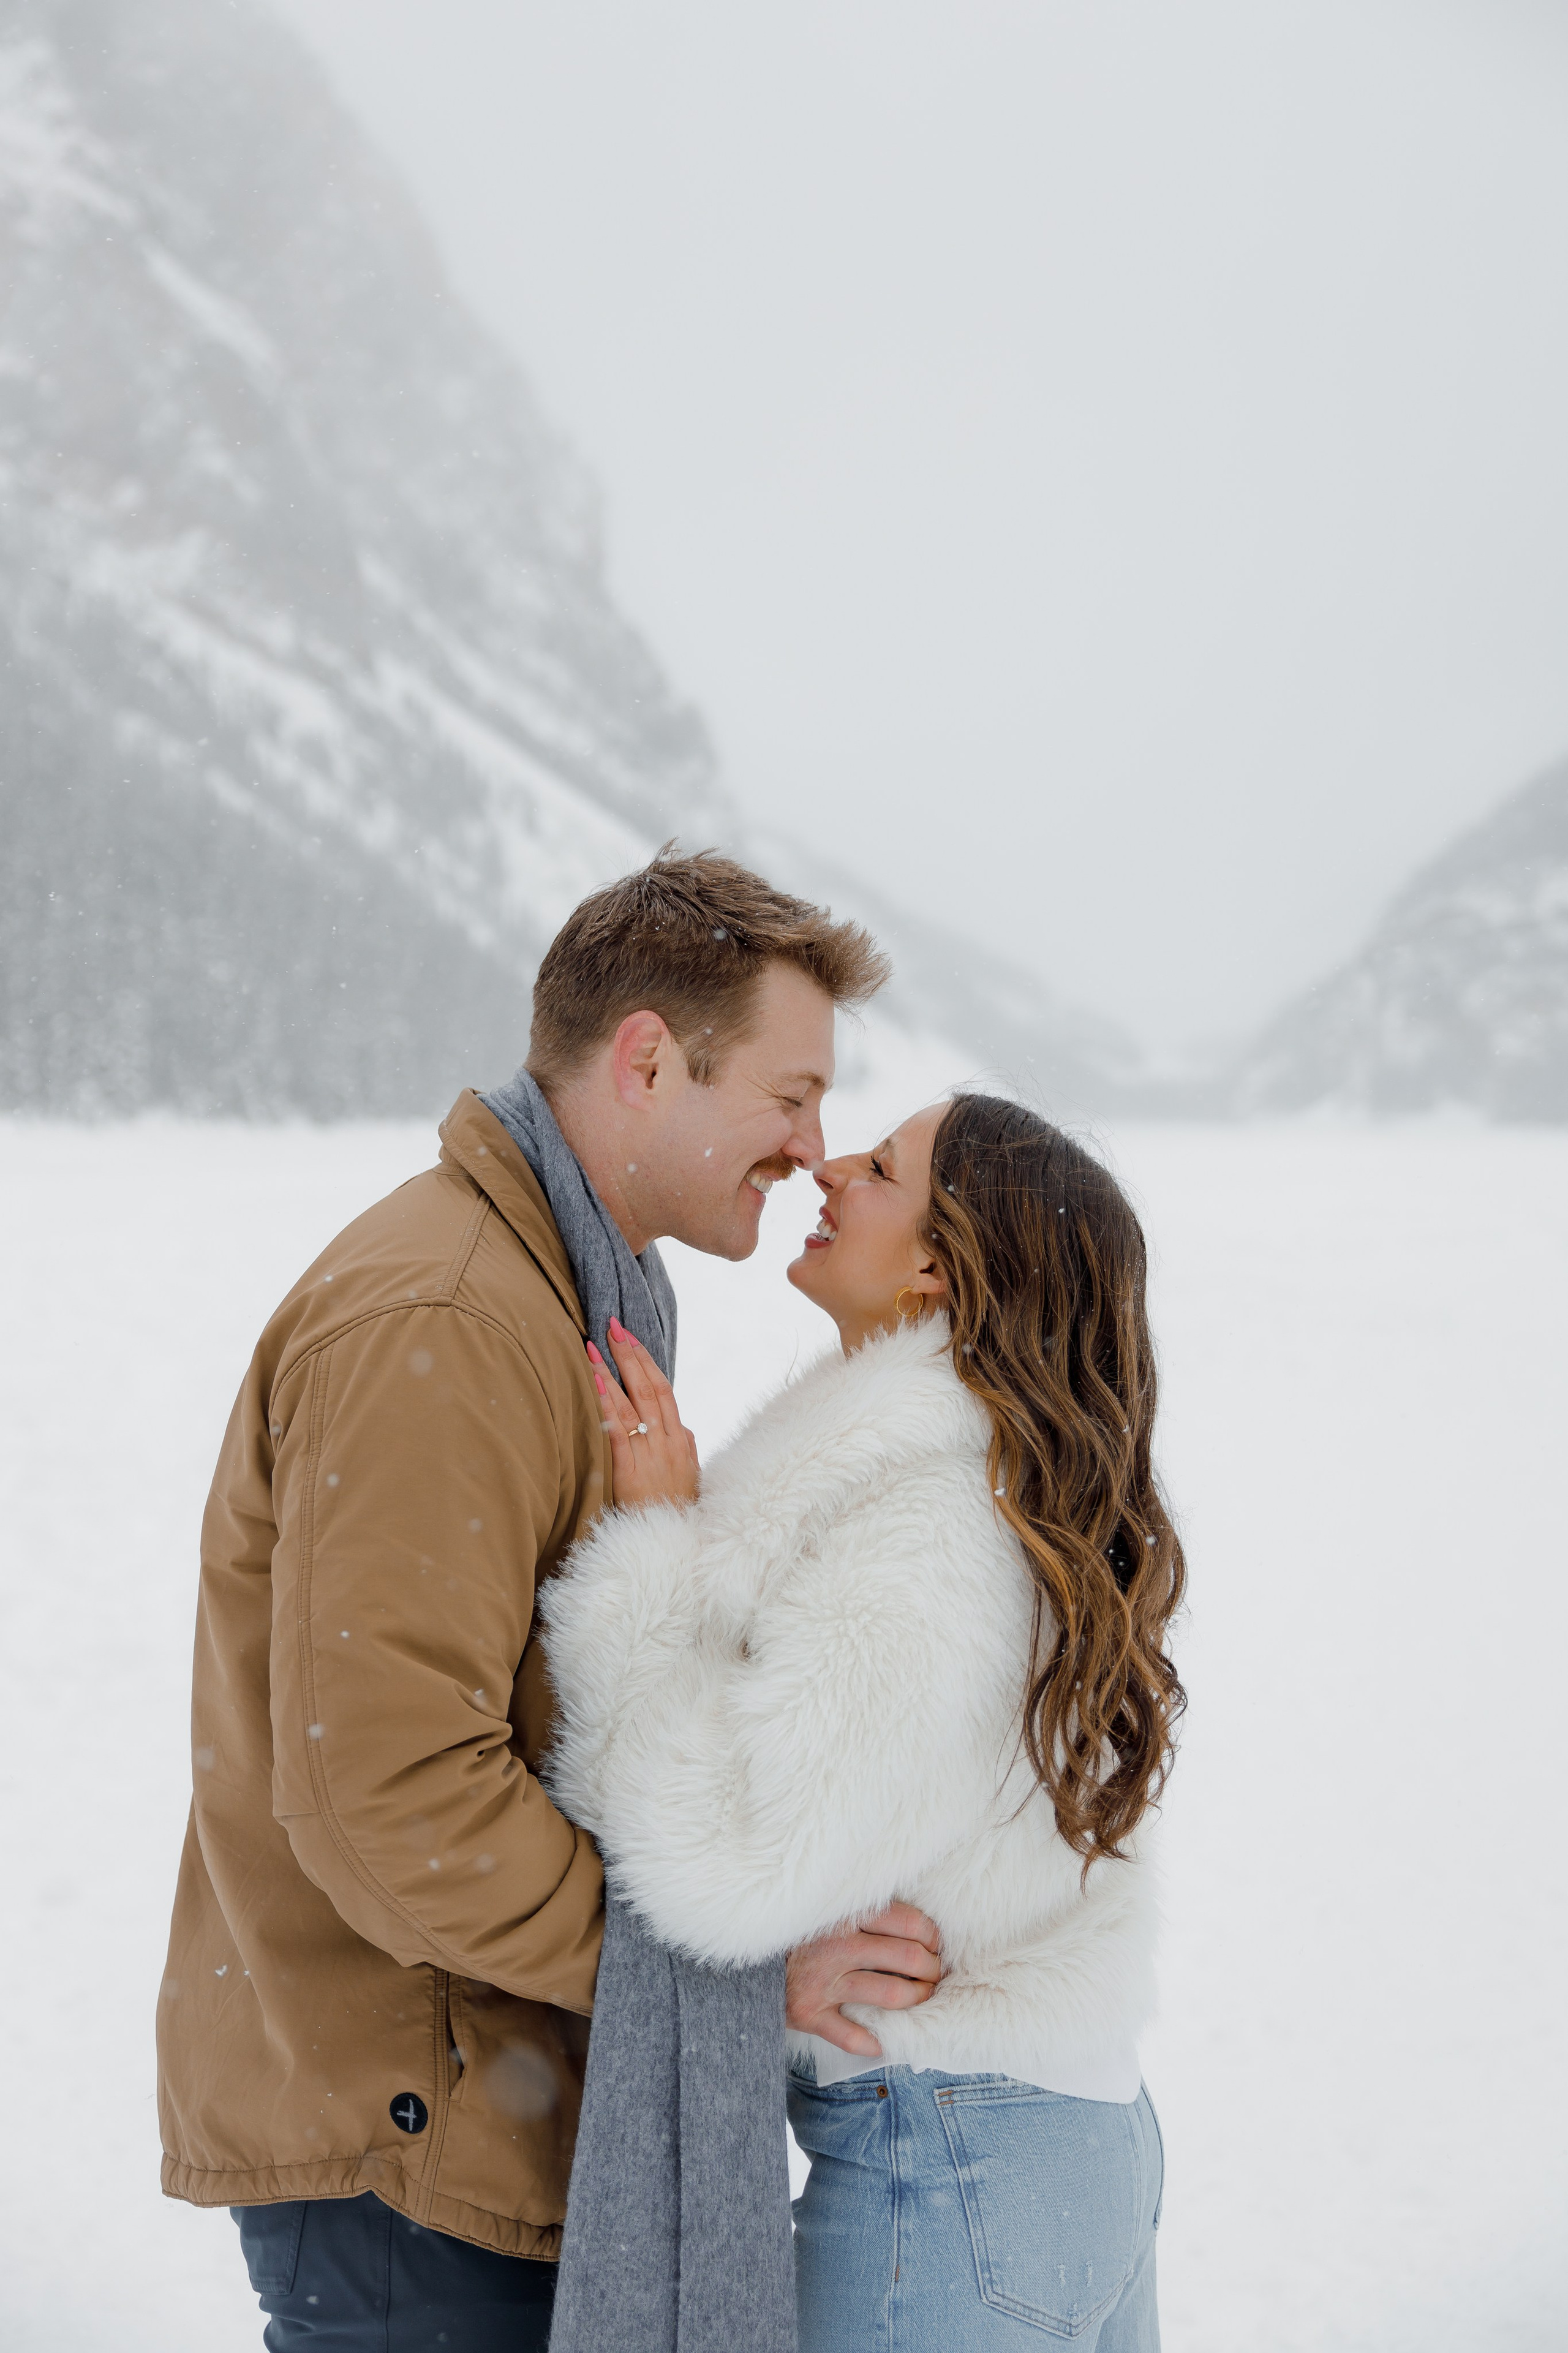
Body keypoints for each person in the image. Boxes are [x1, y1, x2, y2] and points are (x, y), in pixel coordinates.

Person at [156, 848, 940, 2351]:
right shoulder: (446, 1319)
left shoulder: (567, 1297)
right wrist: (717, 1965)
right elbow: (391, 1794)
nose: (811, 1147)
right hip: (419, 2156)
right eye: (788, 1096)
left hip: (488, 2125)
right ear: (649, 1059)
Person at [541, 1089, 1188, 2352]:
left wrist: (652, 1552)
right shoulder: (995, 1489)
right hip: (1059, 2149)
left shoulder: (925, 1531)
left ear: (942, 1266)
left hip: (953, 2169)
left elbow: (729, 1858)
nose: (827, 1166)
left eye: (881, 1167)